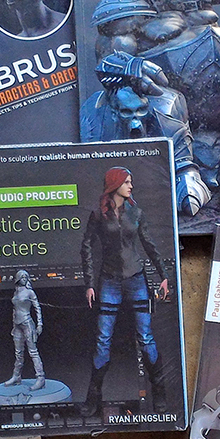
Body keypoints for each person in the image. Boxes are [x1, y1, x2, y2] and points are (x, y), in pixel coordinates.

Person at [80, 167, 171, 416]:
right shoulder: (98, 215)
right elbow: (86, 246)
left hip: (136, 278)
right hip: (109, 280)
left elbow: (148, 244)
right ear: (115, 184)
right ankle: (93, 397)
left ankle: (159, 393)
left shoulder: (136, 212)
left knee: (146, 337)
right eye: (127, 182)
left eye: (131, 182)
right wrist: (90, 284)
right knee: (103, 339)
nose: (131, 186)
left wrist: (163, 276)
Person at [4, 270, 45, 390]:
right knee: (18, 353)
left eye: (26, 277)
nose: (24, 279)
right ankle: (16, 376)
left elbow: (37, 308)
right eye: (22, 277)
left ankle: (40, 377)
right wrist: (13, 325)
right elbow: (14, 310)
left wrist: (40, 324)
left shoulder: (30, 292)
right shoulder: (16, 292)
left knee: (33, 352)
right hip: (17, 325)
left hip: (27, 323)